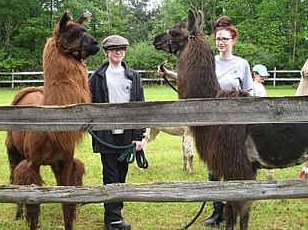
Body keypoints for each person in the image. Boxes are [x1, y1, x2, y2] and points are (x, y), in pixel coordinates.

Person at [158, 15, 253, 227]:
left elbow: (250, 93)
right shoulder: (208, 60)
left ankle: (237, 212)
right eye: (219, 38)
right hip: (212, 123)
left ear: (233, 41)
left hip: (234, 127)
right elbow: (193, 81)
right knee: (214, 170)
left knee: (233, 171)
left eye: (225, 39)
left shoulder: (242, 64)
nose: (221, 42)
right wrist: (169, 74)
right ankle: (217, 211)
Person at [88, 35, 145, 230]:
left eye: (121, 49)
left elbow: (139, 107)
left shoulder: (133, 76)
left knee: (122, 175)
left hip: (127, 134)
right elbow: (89, 106)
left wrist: (139, 136)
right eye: (114, 49)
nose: (118, 52)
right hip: (106, 135)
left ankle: (116, 214)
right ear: (106, 52)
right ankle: (112, 220)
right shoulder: (96, 78)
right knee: (110, 176)